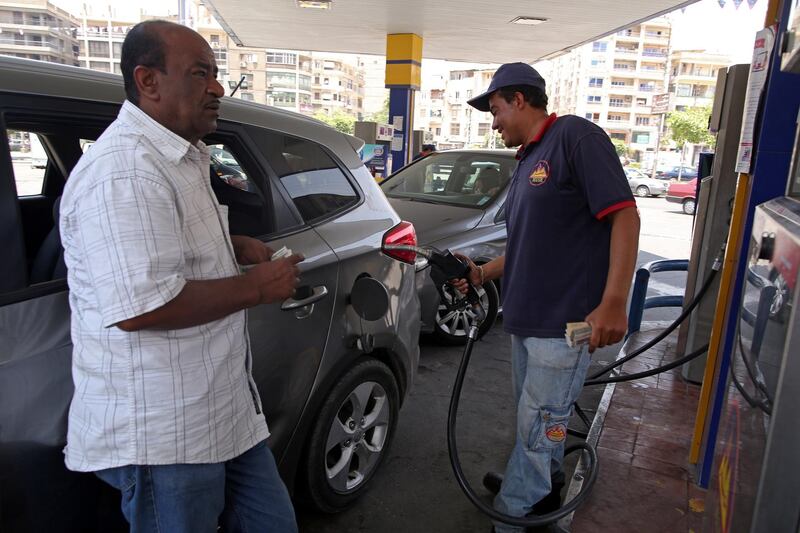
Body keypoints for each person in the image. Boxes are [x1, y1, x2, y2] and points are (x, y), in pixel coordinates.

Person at [59, 20, 302, 533]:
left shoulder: (178, 154)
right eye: (199, 74)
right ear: (148, 82)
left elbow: (159, 247)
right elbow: (141, 306)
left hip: (223, 413)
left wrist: (229, 247)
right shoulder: (125, 171)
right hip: (166, 435)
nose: (216, 88)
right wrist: (261, 286)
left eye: (215, 75)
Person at [456, 62, 640, 532]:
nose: (493, 121)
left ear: (520, 99)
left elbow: (624, 216)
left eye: (496, 109)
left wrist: (614, 300)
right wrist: (483, 274)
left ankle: (514, 514)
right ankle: (544, 486)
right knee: (538, 424)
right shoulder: (527, 162)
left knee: (540, 427)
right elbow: (529, 243)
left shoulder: (576, 138)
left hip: (564, 327)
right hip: (525, 321)